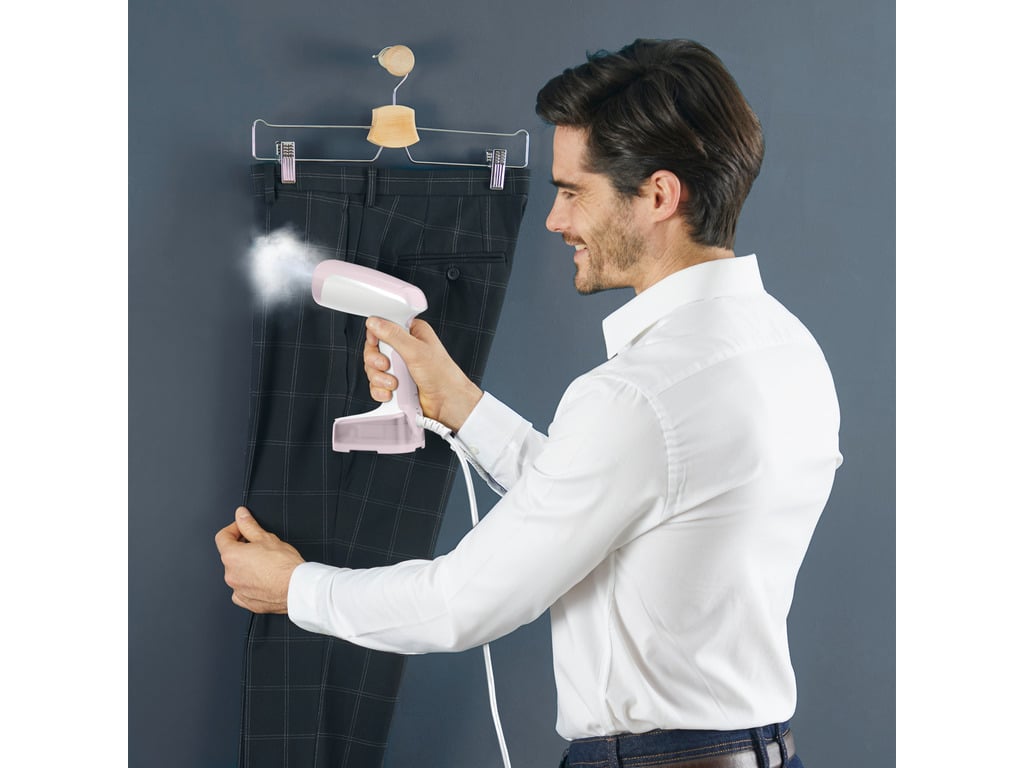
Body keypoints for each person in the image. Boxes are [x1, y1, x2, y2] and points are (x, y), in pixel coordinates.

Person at [217, 38, 842, 768]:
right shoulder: (788, 349)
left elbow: (461, 601)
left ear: (659, 196)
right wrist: (462, 406)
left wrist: (296, 589)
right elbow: (614, 498)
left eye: (574, 191)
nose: (553, 219)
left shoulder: (638, 394)